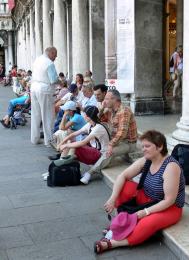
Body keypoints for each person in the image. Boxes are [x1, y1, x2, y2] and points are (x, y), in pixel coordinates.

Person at [94, 130, 185, 253]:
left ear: (160, 147)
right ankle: (122, 222)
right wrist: (112, 198)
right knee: (124, 187)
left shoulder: (171, 167)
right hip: (148, 198)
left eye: (147, 146)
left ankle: (113, 243)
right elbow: (123, 176)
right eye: (142, 146)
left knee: (148, 223)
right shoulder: (147, 160)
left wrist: (146, 212)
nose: (143, 149)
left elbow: (169, 200)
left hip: (170, 207)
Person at [59, 106, 110, 184]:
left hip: (100, 154)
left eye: (85, 114)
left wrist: (65, 145)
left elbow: (83, 143)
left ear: (89, 117)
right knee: (70, 143)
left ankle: (60, 168)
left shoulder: (98, 128)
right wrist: (62, 142)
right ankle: (59, 167)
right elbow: (74, 134)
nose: (83, 116)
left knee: (74, 147)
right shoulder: (89, 125)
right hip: (93, 151)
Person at [31, 47, 58, 146]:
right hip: (45, 90)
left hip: (34, 87)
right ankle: (49, 141)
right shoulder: (49, 63)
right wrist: (61, 81)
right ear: (50, 53)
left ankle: (34, 138)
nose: (56, 57)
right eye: (55, 54)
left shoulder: (37, 60)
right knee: (48, 116)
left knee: (35, 114)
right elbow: (53, 80)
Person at [103, 89, 137, 165]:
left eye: (107, 99)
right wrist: (102, 109)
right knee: (100, 146)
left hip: (128, 143)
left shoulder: (124, 111)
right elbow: (98, 120)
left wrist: (111, 144)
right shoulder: (110, 110)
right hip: (118, 141)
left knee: (108, 153)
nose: (105, 101)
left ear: (114, 100)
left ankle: (90, 173)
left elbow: (122, 133)